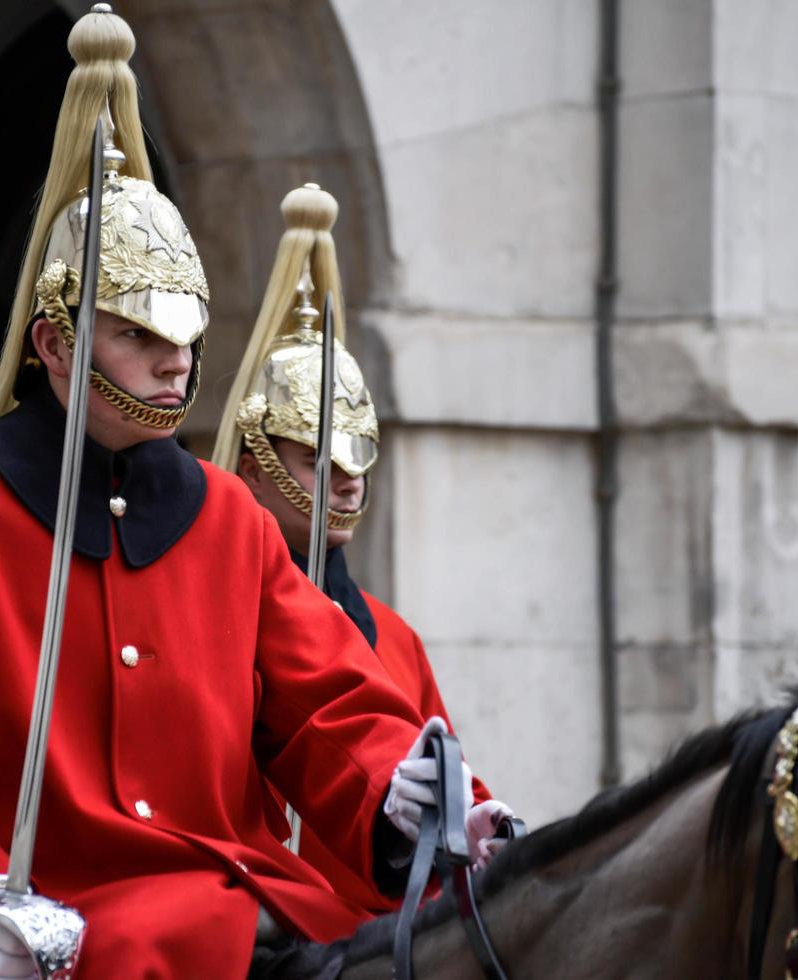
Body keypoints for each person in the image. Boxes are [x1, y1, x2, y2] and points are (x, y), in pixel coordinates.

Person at [0, 9, 497, 978]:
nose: (174, 363)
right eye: (138, 337)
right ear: (56, 343)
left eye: (185, 336)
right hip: (41, 929)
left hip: (224, 906)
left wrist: (398, 790)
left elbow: (330, 710)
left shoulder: (230, 523)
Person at [211, 183, 514, 913]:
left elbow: (441, 770)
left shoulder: (394, 637)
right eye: (320, 460)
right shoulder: (209, 609)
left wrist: (479, 822)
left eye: (357, 460)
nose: (347, 484)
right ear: (254, 463)